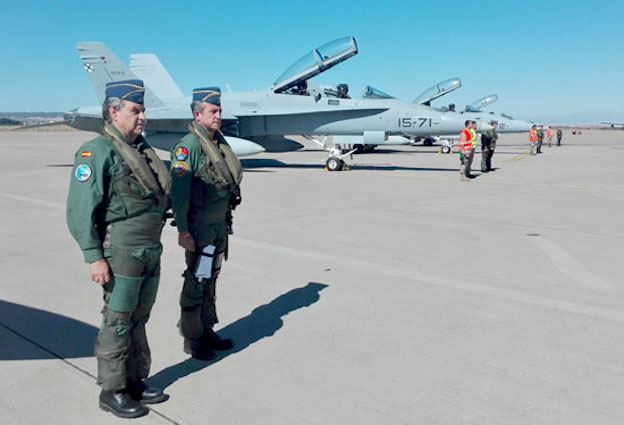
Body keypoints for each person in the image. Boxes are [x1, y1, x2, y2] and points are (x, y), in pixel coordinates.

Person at [66, 80, 170, 418]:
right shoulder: (96, 151)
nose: (142, 118)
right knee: (118, 321)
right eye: (135, 111)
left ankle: (135, 379)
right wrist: (94, 256)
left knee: (139, 318)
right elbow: (79, 211)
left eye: (142, 111)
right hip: (122, 249)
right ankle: (112, 390)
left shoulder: (142, 151)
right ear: (113, 112)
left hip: (149, 248)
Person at [170, 87, 243, 361]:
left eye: (220, 111)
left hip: (217, 230)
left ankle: (206, 328)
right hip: (199, 232)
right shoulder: (188, 148)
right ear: (197, 115)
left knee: (210, 279)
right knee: (197, 280)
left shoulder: (217, 144)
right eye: (213, 111)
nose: (219, 116)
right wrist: (183, 232)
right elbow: (179, 195)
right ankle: (193, 337)